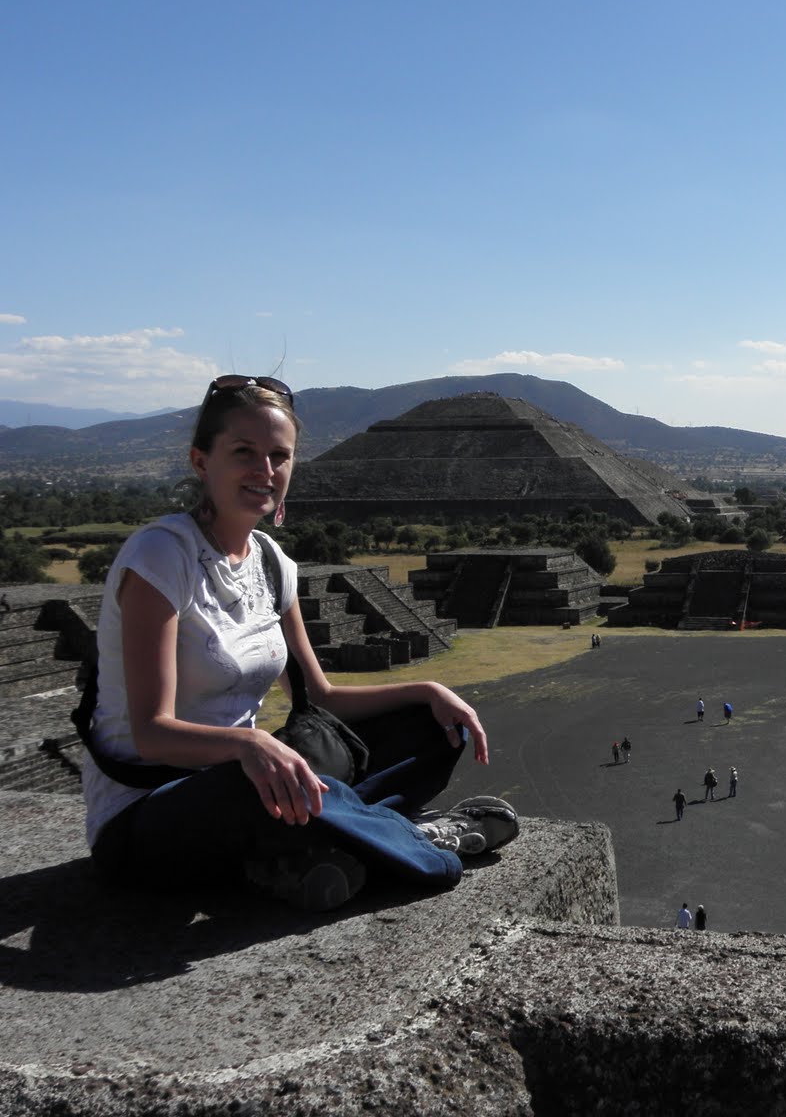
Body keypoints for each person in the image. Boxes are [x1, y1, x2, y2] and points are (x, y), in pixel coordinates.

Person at [78, 375, 514, 913]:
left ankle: (312, 846)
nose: (265, 470)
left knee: (433, 726)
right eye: (244, 452)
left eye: (279, 456)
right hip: (152, 811)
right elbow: (151, 734)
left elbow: (320, 698)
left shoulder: (271, 562)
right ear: (201, 461)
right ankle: (418, 842)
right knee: (253, 780)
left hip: (247, 781)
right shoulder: (161, 557)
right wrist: (249, 745)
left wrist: (427, 690)